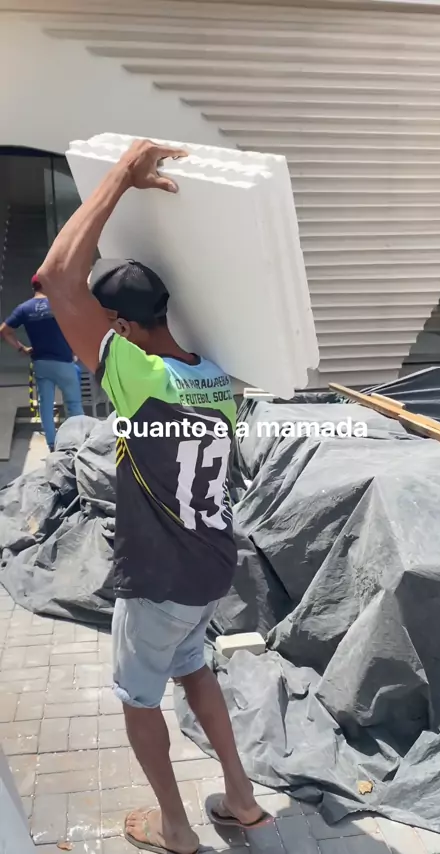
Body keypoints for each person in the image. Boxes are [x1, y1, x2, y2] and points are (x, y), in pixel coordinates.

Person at [35, 139, 271, 854]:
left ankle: (175, 828)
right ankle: (242, 800)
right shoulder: (214, 374)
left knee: (139, 698)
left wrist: (121, 175)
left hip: (160, 578)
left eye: (106, 326)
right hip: (209, 565)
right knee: (193, 666)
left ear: (123, 329)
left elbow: (55, 277)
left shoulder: (140, 380)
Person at [0, 275, 84, 451]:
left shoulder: (24, 309)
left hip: (41, 363)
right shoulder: (59, 304)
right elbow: (77, 326)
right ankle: (78, 443)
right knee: (73, 404)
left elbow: (4, 331)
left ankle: (52, 445)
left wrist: (21, 349)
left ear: (34, 287)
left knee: (45, 406)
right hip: (63, 362)